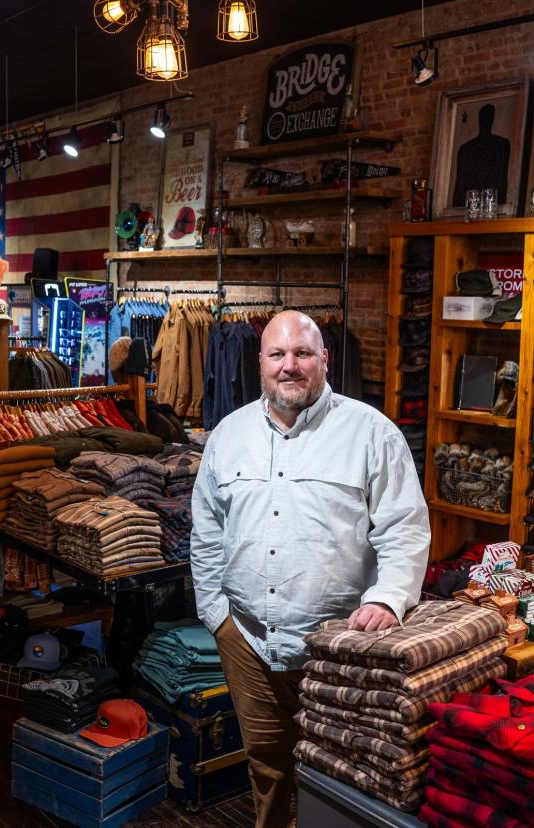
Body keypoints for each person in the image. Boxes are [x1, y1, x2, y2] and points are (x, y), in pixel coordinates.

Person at [190, 311, 430, 828]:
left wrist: (386, 598)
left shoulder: (371, 434)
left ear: (325, 359)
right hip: (247, 638)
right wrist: (215, 612)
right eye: (277, 354)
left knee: (345, 773)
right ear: (260, 363)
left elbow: (405, 528)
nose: (289, 366)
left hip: (339, 644)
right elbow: (206, 528)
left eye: (302, 354)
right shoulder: (227, 436)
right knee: (267, 764)